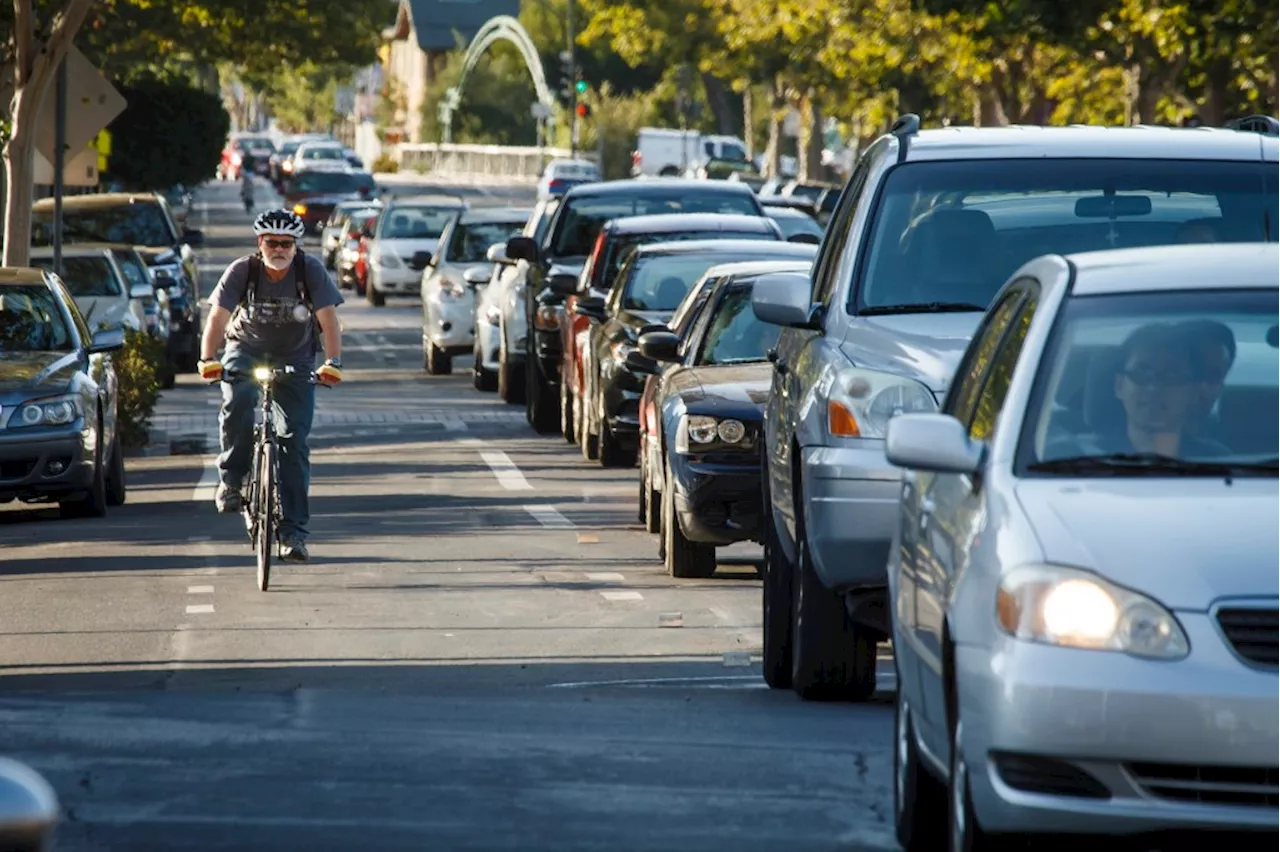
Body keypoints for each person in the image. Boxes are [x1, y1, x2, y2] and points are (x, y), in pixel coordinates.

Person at [197, 210, 345, 563]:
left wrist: (333, 363)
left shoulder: (309, 272)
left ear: (296, 246)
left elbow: (329, 321)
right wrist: (207, 359)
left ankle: (293, 534)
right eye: (271, 242)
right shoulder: (241, 271)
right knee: (238, 399)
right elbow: (217, 318)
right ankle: (232, 480)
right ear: (259, 243)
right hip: (244, 350)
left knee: (293, 442)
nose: (278, 248)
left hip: (296, 357)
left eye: (286, 243)